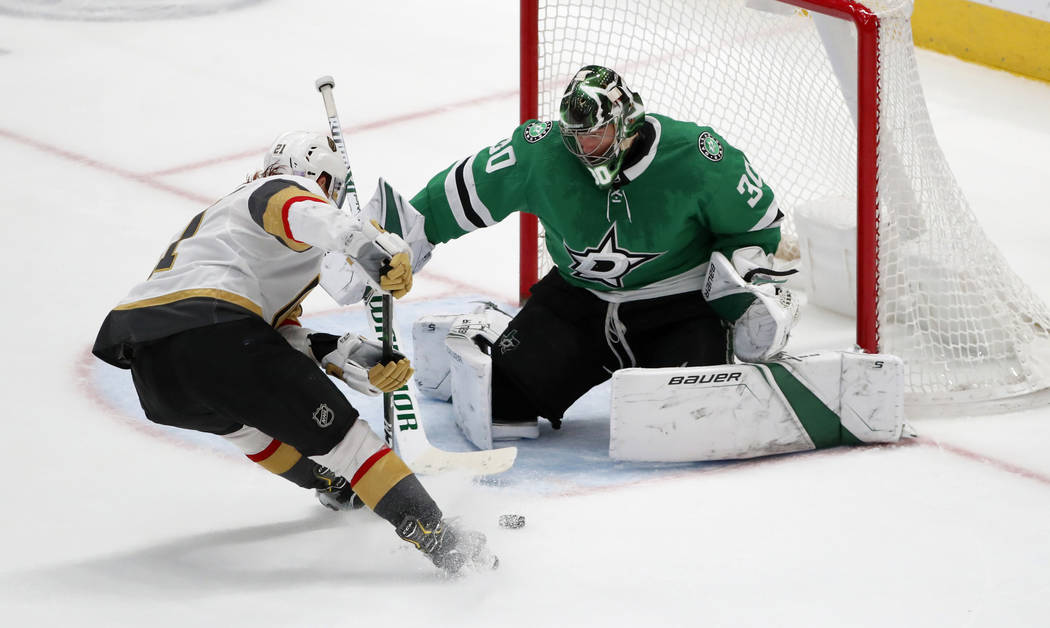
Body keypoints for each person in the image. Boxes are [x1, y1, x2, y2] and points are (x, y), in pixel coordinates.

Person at [92, 130, 494, 574]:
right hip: (216, 331)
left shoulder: (229, 224)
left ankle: (336, 486)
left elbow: (274, 341)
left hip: (155, 370)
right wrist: (369, 250)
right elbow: (306, 214)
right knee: (349, 442)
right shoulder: (286, 191)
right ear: (323, 177)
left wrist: (351, 355)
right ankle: (444, 542)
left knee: (247, 424)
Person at [333, 65, 799, 447]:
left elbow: (756, 229)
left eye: (595, 135)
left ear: (627, 122)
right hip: (579, 300)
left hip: (676, 307)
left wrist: (741, 301)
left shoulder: (698, 157)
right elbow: (454, 197)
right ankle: (485, 330)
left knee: (682, 429)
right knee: (501, 410)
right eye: (574, 136)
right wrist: (391, 244)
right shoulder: (541, 152)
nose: (582, 148)